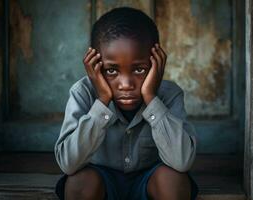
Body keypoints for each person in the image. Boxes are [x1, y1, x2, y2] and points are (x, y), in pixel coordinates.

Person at [54, 7, 198, 200]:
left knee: (173, 180)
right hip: (101, 180)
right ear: (93, 66)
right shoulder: (83, 93)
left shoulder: (168, 94)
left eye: (139, 70)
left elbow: (182, 161)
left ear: (157, 63)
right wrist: (102, 100)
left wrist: (151, 98)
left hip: (150, 180)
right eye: (111, 71)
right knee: (79, 182)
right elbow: (68, 163)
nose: (126, 85)